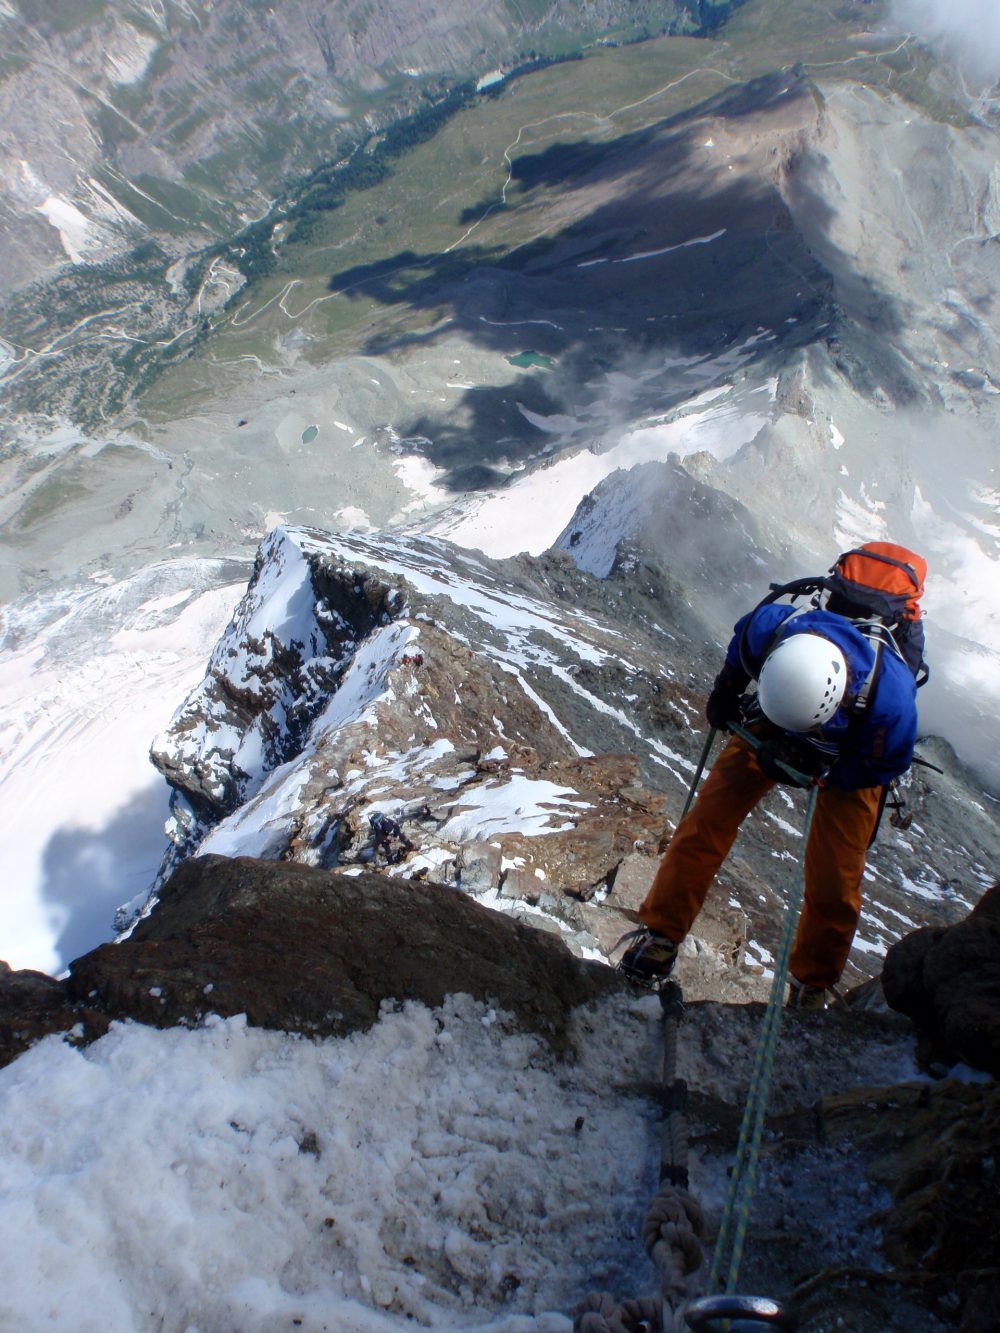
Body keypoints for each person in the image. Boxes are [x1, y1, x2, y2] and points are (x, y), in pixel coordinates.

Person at [619, 597, 920, 1008]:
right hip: (771, 717)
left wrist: (827, 772)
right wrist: (726, 689)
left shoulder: (890, 700)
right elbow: (742, 645)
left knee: (836, 872)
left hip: (848, 754)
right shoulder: (772, 629)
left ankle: (811, 983)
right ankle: (661, 934)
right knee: (706, 821)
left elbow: (884, 764)